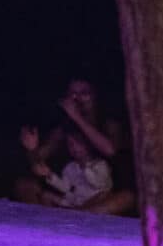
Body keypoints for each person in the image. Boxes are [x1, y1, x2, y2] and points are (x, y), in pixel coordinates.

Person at [11, 77, 136, 215]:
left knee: (126, 198)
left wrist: (77, 117)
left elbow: (110, 150)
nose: (78, 99)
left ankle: (72, 217)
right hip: (72, 195)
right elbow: (38, 162)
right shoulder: (62, 130)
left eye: (84, 93)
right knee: (24, 185)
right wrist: (31, 149)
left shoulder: (108, 124)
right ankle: (50, 222)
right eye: (73, 94)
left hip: (102, 195)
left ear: (95, 97)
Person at [20, 126, 113, 210]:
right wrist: (49, 174)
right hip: (74, 203)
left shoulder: (101, 164)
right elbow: (66, 188)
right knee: (45, 195)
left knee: (101, 197)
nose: (74, 147)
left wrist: (85, 167)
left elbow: (99, 184)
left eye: (78, 143)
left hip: (94, 205)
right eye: (70, 144)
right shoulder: (70, 167)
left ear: (87, 144)